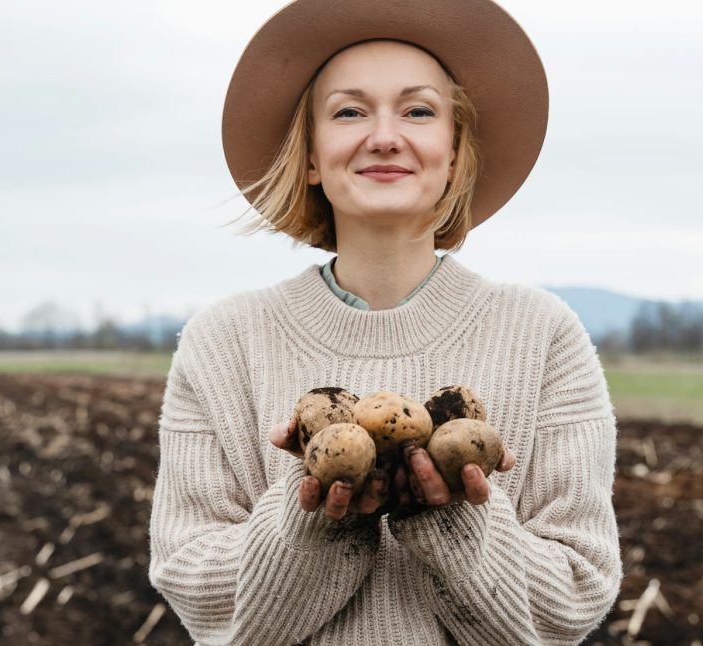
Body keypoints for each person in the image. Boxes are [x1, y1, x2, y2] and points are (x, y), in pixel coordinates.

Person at [148, 1, 622, 644]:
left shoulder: (543, 333)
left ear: (454, 153)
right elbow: (197, 590)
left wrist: (453, 520)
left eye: (419, 110)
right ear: (311, 157)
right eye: (349, 111)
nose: (384, 136)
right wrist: (312, 519)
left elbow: (574, 597)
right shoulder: (223, 341)